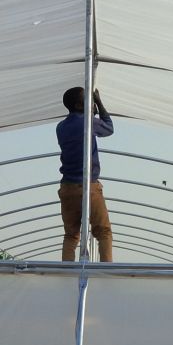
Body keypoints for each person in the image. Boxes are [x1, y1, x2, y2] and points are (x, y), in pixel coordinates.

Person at [56, 86, 114, 262]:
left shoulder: (61, 127)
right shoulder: (88, 122)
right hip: (88, 186)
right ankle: (106, 273)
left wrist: (90, 111)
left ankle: (66, 273)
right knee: (103, 232)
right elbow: (109, 128)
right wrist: (99, 104)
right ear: (80, 104)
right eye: (87, 99)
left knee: (71, 235)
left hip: (67, 187)